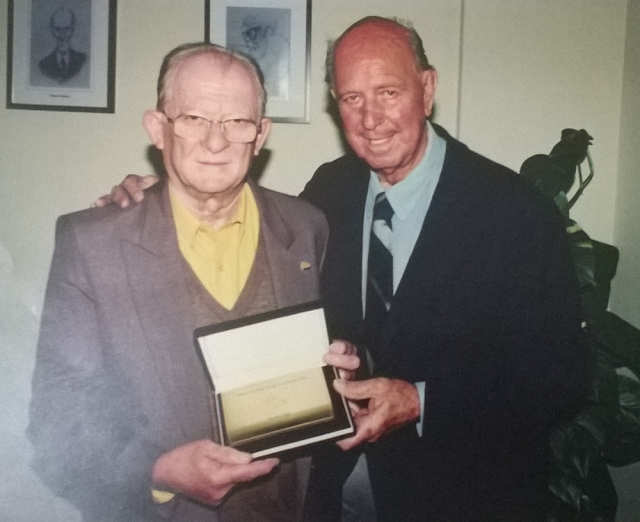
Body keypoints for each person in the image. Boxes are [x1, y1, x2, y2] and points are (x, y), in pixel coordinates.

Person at [97, 17, 591, 522]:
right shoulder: (329, 193)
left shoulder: (514, 211)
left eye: (388, 92)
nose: (371, 118)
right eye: (352, 98)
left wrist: (421, 401)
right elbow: (248, 226)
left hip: (465, 496)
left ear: (426, 89)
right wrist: (164, 196)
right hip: (332, 495)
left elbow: (564, 376)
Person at [28, 42, 358, 522]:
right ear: (157, 128)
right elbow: (57, 422)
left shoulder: (307, 227)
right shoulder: (93, 244)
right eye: (194, 119)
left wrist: (341, 375)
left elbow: (340, 352)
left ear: (260, 134)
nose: (216, 142)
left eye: (237, 122)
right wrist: (158, 471)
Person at [38, 7, 87, 83]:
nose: (62, 35)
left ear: (72, 30)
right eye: (58, 29)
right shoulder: (44, 65)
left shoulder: (83, 60)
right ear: (52, 30)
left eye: (67, 29)